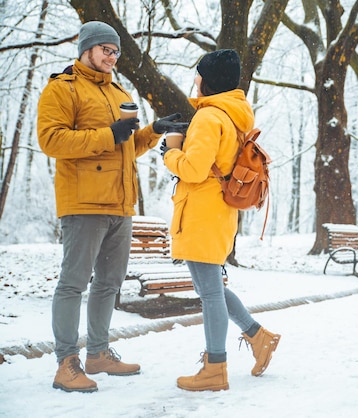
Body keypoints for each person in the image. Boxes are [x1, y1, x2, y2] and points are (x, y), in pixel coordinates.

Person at [37, 21, 187, 393]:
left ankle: (99, 353)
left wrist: (152, 132)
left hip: (120, 203)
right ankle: (66, 362)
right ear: (86, 49)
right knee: (73, 284)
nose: (112, 56)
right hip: (84, 202)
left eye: (116, 51)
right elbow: (51, 139)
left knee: (109, 283)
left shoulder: (117, 90)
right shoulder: (62, 88)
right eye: (106, 48)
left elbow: (125, 147)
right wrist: (110, 134)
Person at [161, 49, 281, 392]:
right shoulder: (231, 116)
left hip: (201, 213)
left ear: (208, 80)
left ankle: (215, 368)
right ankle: (259, 337)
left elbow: (194, 169)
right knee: (210, 288)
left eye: (198, 74)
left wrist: (171, 152)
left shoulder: (209, 117)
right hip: (216, 213)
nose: (195, 80)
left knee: (210, 293)